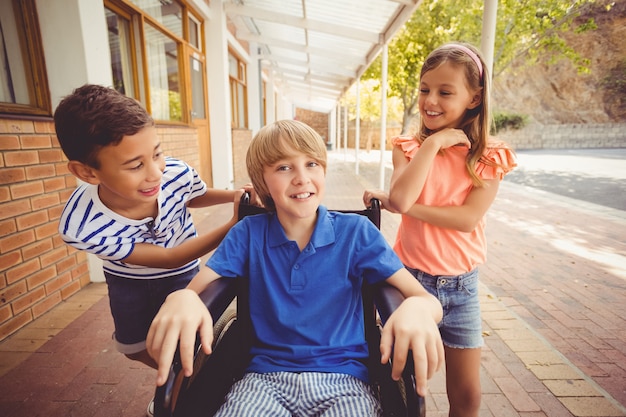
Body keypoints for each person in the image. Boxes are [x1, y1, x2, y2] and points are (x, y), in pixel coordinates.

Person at [147, 119, 445, 416]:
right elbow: (195, 292)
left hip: (344, 382)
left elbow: (426, 300)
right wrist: (183, 298)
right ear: (263, 182)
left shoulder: (356, 233)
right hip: (262, 381)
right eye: (283, 167)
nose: (302, 178)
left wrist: (417, 309)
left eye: (312, 164)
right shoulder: (248, 233)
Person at [363, 43, 517, 417]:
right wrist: (433, 144)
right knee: (404, 385)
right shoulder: (410, 146)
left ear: (474, 98)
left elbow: (465, 220)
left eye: (445, 92)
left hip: (462, 288)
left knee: (466, 395)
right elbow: (400, 197)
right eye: (424, 89)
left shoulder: (489, 156)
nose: (430, 100)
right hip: (409, 283)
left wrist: (400, 204)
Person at [54, 84, 249, 373]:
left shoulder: (174, 172)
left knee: (185, 340)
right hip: (129, 282)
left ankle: (186, 386)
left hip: (184, 275)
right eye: (135, 166)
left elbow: (193, 194)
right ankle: (180, 374)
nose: (156, 173)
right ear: (87, 172)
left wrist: (233, 196)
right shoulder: (83, 226)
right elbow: (170, 257)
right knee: (133, 347)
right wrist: (234, 225)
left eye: (157, 154)